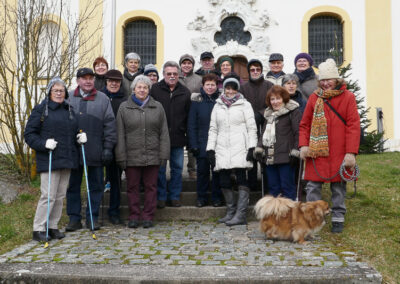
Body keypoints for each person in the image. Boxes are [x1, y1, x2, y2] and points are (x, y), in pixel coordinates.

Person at [299, 58, 360, 233]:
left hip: (339, 151)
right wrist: (303, 145)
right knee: (312, 186)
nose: (325, 84)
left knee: (338, 185)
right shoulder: (313, 98)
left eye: (329, 80)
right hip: (316, 151)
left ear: (337, 80)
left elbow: (353, 126)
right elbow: (305, 124)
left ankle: (338, 217)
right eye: (323, 80)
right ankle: (314, 217)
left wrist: (351, 153)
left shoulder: (348, 97)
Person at [25, 77, 80, 242]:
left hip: (67, 158)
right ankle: (38, 228)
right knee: (48, 195)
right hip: (49, 158)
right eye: (55, 90)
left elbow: (74, 131)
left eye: (61, 91)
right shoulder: (41, 110)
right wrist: (43, 144)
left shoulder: (69, 110)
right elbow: (29, 134)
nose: (58, 93)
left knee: (60, 195)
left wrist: (79, 137)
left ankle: (52, 226)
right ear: (49, 92)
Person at [65, 68, 116, 231]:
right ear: (78, 80)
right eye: (84, 78)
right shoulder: (69, 98)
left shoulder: (103, 99)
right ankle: (74, 218)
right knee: (73, 185)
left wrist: (108, 147)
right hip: (73, 151)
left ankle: (92, 217)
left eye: (90, 78)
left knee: (95, 185)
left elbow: (110, 125)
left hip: (95, 149)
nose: (87, 81)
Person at [115, 75, 170, 229]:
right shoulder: (124, 107)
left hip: (152, 156)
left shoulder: (157, 107)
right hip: (131, 156)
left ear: (149, 90)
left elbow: (164, 133)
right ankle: (133, 216)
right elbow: (120, 134)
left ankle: (148, 216)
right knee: (132, 187)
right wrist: (121, 156)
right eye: (139, 87)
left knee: (151, 187)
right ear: (133, 89)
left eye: (145, 87)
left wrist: (163, 155)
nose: (142, 90)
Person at [206, 74, 257, 226]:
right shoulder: (218, 105)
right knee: (224, 180)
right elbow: (213, 129)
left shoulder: (245, 105)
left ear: (237, 90)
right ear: (224, 89)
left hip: (240, 146)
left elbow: (251, 128)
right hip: (222, 147)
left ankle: (240, 214)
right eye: (227, 88)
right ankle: (230, 211)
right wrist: (210, 149)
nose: (230, 91)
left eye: (233, 89)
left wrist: (252, 147)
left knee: (241, 179)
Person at [150, 61, 191, 208]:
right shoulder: (154, 90)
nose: (172, 76)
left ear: (179, 74)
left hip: (178, 137)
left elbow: (188, 116)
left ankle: (174, 196)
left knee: (177, 169)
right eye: (169, 74)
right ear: (164, 74)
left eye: (175, 74)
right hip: (159, 138)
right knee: (160, 169)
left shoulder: (185, 92)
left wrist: (187, 135)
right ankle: (161, 197)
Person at [254, 85, 302, 200]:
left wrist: (296, 151)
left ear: (284, 98)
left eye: (278, 98)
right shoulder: (268, 115)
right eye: (272, 99)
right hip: (270, 158)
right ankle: (276, 216)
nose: (275, 102)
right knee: (273, 189)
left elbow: (298, 133)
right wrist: (259, 148)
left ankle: (290, 216)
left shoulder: (293, 112)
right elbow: (264, 133)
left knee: (288, 188)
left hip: (287, 158)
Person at [188, 73, 222, 207]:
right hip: (202, 143)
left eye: (212, 85)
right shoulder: (197, 102)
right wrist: (193, 144)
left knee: (217, 172)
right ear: (203, 85)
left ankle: (216, 198)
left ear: (216, 86)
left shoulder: (220, 101)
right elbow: (192, 125)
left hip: (218, 144)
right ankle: (201, 198)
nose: (210, 87)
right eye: (207, 84)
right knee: (202, 173)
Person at [241, 59, 273, 192]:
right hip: (249, 126)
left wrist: (261, 113)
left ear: (261, 71)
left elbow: (273, 103)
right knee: (251, 154)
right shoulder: (243, 87)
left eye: (258, 70)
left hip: (265, 124)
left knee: (265, 155)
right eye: (252, 70)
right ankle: (252, 184)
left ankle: (266, 185)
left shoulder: (269, 85)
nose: (255, 72)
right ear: (249, 72)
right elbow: (241, 105)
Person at [102, 69, 127, 225]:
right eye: (111, 81)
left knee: (116, 181)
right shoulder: (99, 97)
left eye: (116, 81)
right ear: (106, 82)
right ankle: (95, 211)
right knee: (99, 180)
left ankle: (114, 211)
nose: (113, 83)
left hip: (118, 145)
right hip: (100, 144)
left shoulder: (125, 101)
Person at [179, 54, 202, 180]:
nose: (186, 65)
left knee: (192, 142)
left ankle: (192, 169)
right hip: (178, 114)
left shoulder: (198, 79)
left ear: (193, 65)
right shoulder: (176, 77)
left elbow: (201, 95)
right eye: (184, 63)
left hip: (193, 114)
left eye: (189, 63)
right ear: (180, 65)